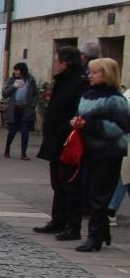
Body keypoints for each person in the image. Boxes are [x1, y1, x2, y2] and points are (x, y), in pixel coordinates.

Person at [72, 59, 130, 251]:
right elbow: (82, 116)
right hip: (88, 149)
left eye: (95, 72)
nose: (90, 75)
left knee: (100, 195)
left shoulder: (115, 99)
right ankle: (102, 230)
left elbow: (120, 127)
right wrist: (77, 122)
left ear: (106, 74)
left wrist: (89, 125)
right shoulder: (88, 95)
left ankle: (94, 237)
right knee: (88, 192)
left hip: (108, 151)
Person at [34, 47, 87, 240]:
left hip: (67, 141)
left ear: (65, 64)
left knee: (69, 185)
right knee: (58, 183)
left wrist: (61, 130)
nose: (55, 65)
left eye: (57, 62)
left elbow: (76, 113)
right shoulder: (63, 81)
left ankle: (72, 226)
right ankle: (58, 220)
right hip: (56, 140)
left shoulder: (78, 83)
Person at [2, 62, 37, 160]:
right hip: (14, 109)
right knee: (12, 131)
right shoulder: (12, 80)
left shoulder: (30, 80)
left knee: (25, 132)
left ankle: (23, 153)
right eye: (14, 70)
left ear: (22, 70)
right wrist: (14, 86)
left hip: (25, 109)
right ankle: (7, 149)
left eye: (17, 70)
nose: (15, 72)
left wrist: (33, 105)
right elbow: (5, 94)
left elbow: (35, 94)